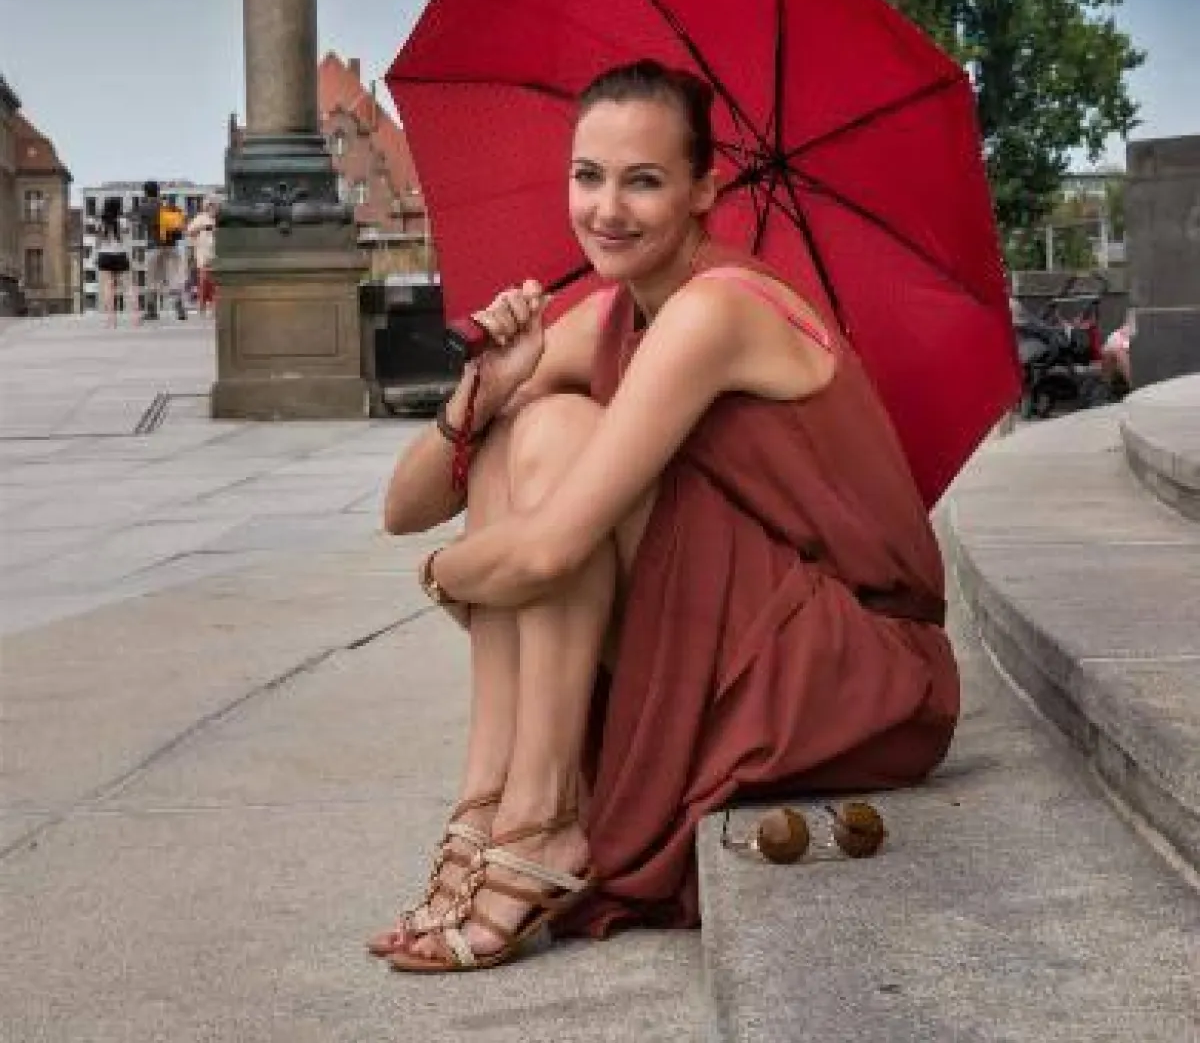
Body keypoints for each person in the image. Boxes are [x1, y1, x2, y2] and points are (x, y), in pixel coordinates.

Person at [370, 59, 959, 975]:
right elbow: (403, 507)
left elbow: (547, 553)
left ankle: (540, 814)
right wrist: (483, 385)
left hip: (856, 669)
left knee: (555, 435)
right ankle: (489, 805)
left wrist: (444, 575)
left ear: (702, 192)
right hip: (748, 623)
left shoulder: (714, 312)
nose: (607, 209)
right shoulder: (611, 315)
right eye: (588, 176)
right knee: (516, 425)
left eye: (643, 181)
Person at [137, 180, 186, 322]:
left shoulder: (145, 207)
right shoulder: (168, 206)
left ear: (145, 192)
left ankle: (152, 310)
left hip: (154, 246)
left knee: (153, 279)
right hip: (172, 246)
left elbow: (141, 224)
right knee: (174, 277)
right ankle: (179, 306)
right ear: (158, 191)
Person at [95, 196, 135, 328]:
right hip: (120, 255)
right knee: (128, 286)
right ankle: (135, 317)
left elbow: (98, 241)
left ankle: (111, 320)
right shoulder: (123, 222)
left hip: (105, 255)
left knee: (108, 287)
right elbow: (127, 233)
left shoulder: (100, 223)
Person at [186, 197, 220, 316]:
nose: (214, 208)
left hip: (217, 254)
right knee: (204, 280)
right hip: (204, 253)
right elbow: (190, 232)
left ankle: (214, 307)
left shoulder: (220, 219)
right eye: (211, 205)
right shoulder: (201, 218)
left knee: (216, 282)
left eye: (215, 205)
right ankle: (202, 306)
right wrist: (203, 227)